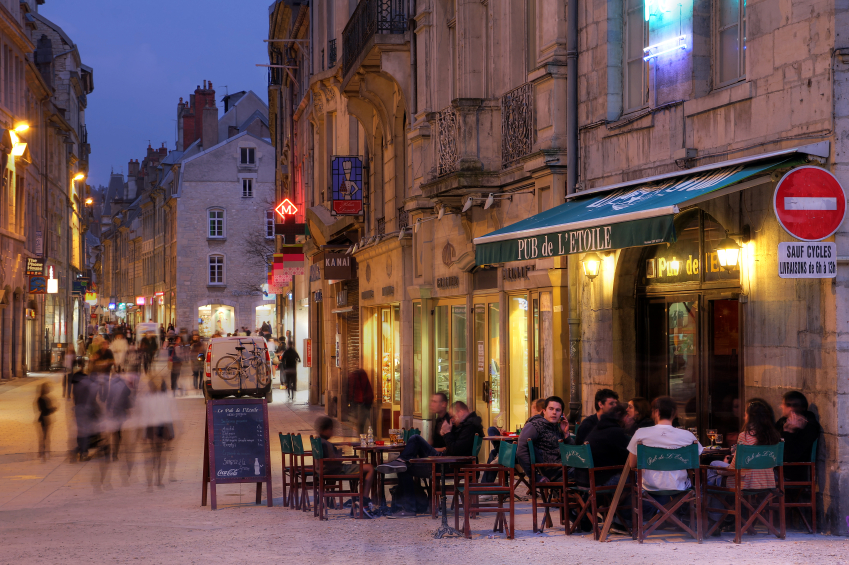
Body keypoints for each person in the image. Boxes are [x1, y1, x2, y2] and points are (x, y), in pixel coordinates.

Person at [377, 401, 483, 517]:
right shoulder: (468, 425)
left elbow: (455, 450)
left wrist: (447, 433)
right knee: (415, 439)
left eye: (453, 416)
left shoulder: (469, 427)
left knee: (405, 468)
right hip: (445, 460)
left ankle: (410, 508)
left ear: (461, 412)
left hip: (446, 465)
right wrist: (446, 434)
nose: (452, 419)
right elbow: (453, 448)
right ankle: (401, 461)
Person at [627, 396, 703, 492]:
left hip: (648, 487)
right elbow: (696, 463)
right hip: (679, 486)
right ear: (675, 413)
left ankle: (657, 506)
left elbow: (632, 463)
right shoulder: (688, 436)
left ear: (656, 412)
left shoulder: (640, 433)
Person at [314, 416, 377, 517]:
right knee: (369, 468)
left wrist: (339, 449)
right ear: (326, 429)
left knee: (362, 467)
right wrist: (342, 452)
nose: (332, 432)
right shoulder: (326, 443)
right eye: (331, 429)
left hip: (325, 470)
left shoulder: (318, 441)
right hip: (336, 470)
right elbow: (334, 460)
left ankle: (359, 500)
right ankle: (364, 501)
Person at [516, 396, 571, 483]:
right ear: (544, 411)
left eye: (557, 410)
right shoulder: (534, 425)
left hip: (567, 468)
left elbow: (572, 452)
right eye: (551, 409)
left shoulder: (556, 427)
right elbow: (521, 451)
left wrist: (566, 434)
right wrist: (534, 476)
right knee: (591, 473)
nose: (554, 413)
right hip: (556, 474)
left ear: (561, 414)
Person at [775, 390, 821, 481]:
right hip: (775, 468)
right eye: (786, 404)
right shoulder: (782, 421)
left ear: (802, 408)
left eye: (788, 405)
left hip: (788, 474)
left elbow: (789, 456)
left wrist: (788, 432)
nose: (782, 407)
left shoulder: (808, 427)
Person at [581, 402, 630, 486]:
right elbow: (627, 460)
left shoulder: (598, 428)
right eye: (628, 416)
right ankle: (618, 500)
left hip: (582, 478)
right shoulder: (616, 432)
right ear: (623, 416)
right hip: (599, 481)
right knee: (637, 478)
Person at [347, 368, 374, 435]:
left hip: (361, 402)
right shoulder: (359, 375)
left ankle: (362, 437)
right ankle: (367, 436)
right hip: (364, 402)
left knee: (360, 423)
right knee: (364, 422)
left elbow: (354, 392)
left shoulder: (356, 376)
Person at [36, 383, 57, 461]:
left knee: (44, 437)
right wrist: (52, 409)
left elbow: (41, 409)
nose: (48, 389)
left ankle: (43, 452)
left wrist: (51, 409)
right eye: (47, 388)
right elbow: (44, 410)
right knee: (45, 437)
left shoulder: (42, 398)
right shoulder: (43, 399)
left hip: (45, 419)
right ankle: (43, 453)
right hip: (45, 419)